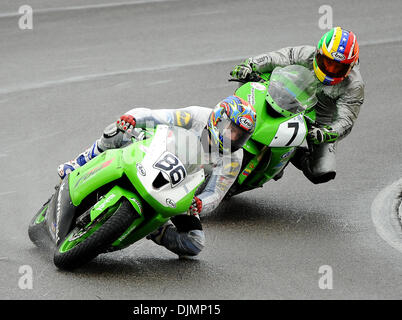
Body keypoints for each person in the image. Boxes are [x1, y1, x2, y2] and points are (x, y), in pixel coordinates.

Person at [57, 96, 256, 257]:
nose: (234, 138)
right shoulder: (197, 117)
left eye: (241, 136)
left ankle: (154, 229)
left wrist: (201, 203)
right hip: (153, 156)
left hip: (178, 190)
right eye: (232, 130)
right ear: (219, 119)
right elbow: (159, 117)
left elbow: (216, 193)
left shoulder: (234, 158)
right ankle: (78, 163)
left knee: (194, 242)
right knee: (118, 130)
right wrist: (133, 120)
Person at [230, 26, 364, 184]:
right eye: (327, 63)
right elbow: (275, 58)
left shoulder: (354, 85)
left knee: (321, 171)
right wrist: (249, 65)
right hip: (289, 95)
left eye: (338, 67)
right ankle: (227, 121)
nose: (331, 70)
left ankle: (290, 153)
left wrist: (330, 132)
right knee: (247, 80)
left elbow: (346, 120)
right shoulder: (305, 54)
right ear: (318, 53)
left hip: (320, 122)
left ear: (351, 66)